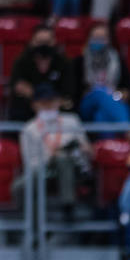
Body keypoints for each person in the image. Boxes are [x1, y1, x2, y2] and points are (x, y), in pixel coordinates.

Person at [18, 83, 92, 218]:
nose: (49, 106)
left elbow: (87, 148)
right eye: (44, 103)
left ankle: (68, 206)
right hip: (45, 170)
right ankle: (36, 229)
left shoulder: (72, 120)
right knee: (20, 186)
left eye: (51, 102)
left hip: (73, 168)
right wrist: (51, 155)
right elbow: (29, 163)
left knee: (63, 157)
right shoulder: (28, 129)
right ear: (34, 105)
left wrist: (79, 149)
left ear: (58, 102)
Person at [7, 25, 74, 123]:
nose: (43, 46)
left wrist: (50, 103)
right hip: (28, 111)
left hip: (58, 110)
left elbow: (68, 93)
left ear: (54, 42)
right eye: (39, 42)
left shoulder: (64, 63)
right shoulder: (22, 62)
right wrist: (36, 101)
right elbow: (18, 87)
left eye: (47, 42)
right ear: (32, 42)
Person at [72, 21, 130, 128]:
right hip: (86, 104)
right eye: (95, 38)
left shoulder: (118, 60)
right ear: (88, 39)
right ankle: (128, 129)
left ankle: (106, 144)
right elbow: (74, 91)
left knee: (100, 115)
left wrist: (115, 95)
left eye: (102, 38)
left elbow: (127, 89)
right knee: (99, 92)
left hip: (114, 100)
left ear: (108, 40)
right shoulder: (79, 62)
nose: (98, 41)